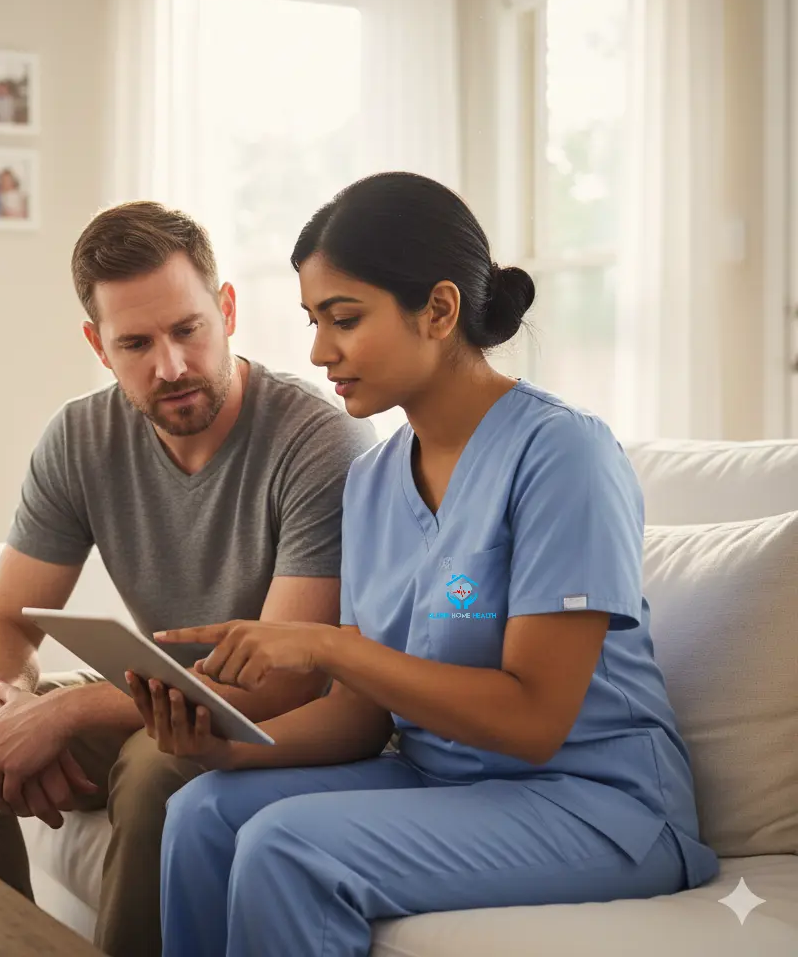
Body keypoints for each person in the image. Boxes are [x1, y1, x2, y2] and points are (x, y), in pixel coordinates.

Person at [130, 172, 721, 957]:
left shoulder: (564, 454)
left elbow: (535, 720)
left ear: (439, 310)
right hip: (443, 782)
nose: (319, 351)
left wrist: (328, 646)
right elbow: (362, 715)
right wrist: (225, 748)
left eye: (344, 319)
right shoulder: (373, 480)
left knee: (286, 846)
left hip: (598, 803)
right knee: (202, 812)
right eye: (313, 321)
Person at [0, 200, 378, 956]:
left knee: (158, 767)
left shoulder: (319, 441)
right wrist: (2, 717)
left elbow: (284, 684)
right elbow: (4, 622)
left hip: (270, 726)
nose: (171, 366)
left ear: (227, 310)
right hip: (155, 698)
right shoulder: (80, 436)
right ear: (98, 345)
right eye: (136, 343)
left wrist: (70, 711)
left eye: (188, 330)